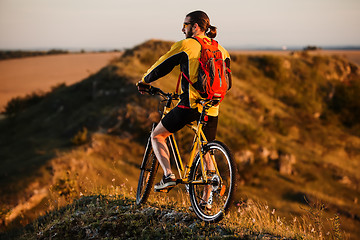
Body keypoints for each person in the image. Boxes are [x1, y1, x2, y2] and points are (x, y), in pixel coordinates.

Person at [137, 10, 232, 194]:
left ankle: (168, 176)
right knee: (206, 151)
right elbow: (228, 82)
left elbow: (161, 66)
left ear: (195, 26)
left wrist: (144, 81)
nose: (183, 29)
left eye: (185, 25)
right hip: (212, 106)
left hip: (190, 104)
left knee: (157, 136)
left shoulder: (187, 45)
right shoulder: (221, 50)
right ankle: (206, 203)